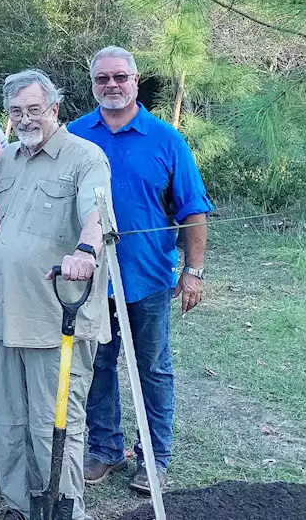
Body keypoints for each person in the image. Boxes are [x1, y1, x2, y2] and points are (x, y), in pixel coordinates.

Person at [69, 46, 212, 494]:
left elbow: (193, 210)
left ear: (135, 81)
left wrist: (194, 270)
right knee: (99, 365)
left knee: (152, 368)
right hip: (91, 280)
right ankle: (104, 449)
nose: (111, 86)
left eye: (120, 77)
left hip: (147, 277)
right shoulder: (74, 135)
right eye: (102, 79)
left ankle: (154, 456)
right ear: (92, 85)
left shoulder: (166, 139)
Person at [0, 70, 114, 520]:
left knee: (53, 428)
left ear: (54, 109)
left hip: (57, 319)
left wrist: (85, 249)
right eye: (17, 111)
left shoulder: (85, 157)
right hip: (8, 319)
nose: (25, 118)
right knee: (7, 427)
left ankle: (64, 511)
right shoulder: (6, 158)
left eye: (34, 109)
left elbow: (98, 214)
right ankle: (22, 509)